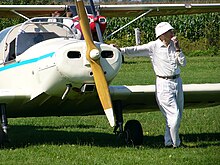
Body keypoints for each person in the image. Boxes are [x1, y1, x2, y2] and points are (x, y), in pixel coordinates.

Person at [120, 22, 186, 148]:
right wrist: (118, 50)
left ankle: (168, 142)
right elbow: (134, 50)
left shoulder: (174, 46)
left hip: (177, 81)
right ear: (162, 35)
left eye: (172, 31)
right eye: (169, 31)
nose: (172, 33)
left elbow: (182, 63)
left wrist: (178, 48)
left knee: (175, 115)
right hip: (163, 83)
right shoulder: (153, 46)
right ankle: (176, 143)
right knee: (174, 115)